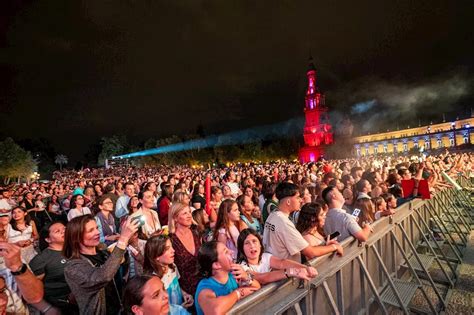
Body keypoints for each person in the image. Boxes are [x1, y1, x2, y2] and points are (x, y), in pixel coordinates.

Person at [63, 214, 139, 315]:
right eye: (90, 230)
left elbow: (120, 276)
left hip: (121, 309)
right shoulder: (72, 267)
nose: (97, 232)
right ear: (76, 237)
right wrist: (123, 239)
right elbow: (102, 277)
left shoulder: (104, 253)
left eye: (97, 228)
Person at [263, 182, 341, 263]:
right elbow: (310, 252)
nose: (300, 200)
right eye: (297, 197)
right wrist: (334, 247)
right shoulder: (284, 223)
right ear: (288, 201)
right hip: (287, 270)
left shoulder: (272, 215)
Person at [195, 241, 260, 315]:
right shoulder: (205, 288)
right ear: (217, 265)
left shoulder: (232, 275)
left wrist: (246, 277)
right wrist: (238, 294)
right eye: (226, 252)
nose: (232, 252)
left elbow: (257, 288)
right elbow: (215, 311)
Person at [237, 229, 318, 285]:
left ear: (260, 245)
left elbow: (282, 263)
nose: (252, 246)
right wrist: (291, 272)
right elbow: (263, 278)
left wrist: (305, 268)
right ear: (242, 249)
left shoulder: (265, 257)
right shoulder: (241, 266)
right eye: (247, 243)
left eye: (254, 241)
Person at [29, 221, 78, 313]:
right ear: (48, 239)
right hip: (60, 305)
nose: (63, 232)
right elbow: (33, 290)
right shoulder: (42, 259)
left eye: (64, 229)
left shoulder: (75, 249)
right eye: (57, 231)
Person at [143, 235, 193, 308]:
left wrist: (184, 294)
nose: (173, 250)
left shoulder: (172, 266)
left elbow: (177, 286)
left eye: (172, 247)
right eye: (167, 248)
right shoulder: (153, 281)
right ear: (156, 255)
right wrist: (179, 310)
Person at [168, 203, 202, 297]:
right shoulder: (171, 240)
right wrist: (182, 292)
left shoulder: (196, 232)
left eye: (189, 212)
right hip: (186, 292)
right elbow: (170, 269)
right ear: (175, 218)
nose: (189, 216)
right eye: (184, 213)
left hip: (203, 285)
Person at [122, 275, 188, 315]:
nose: (166, 295)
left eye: (164, 289)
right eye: (156, 295)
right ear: (137, 310)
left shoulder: (178, 311)